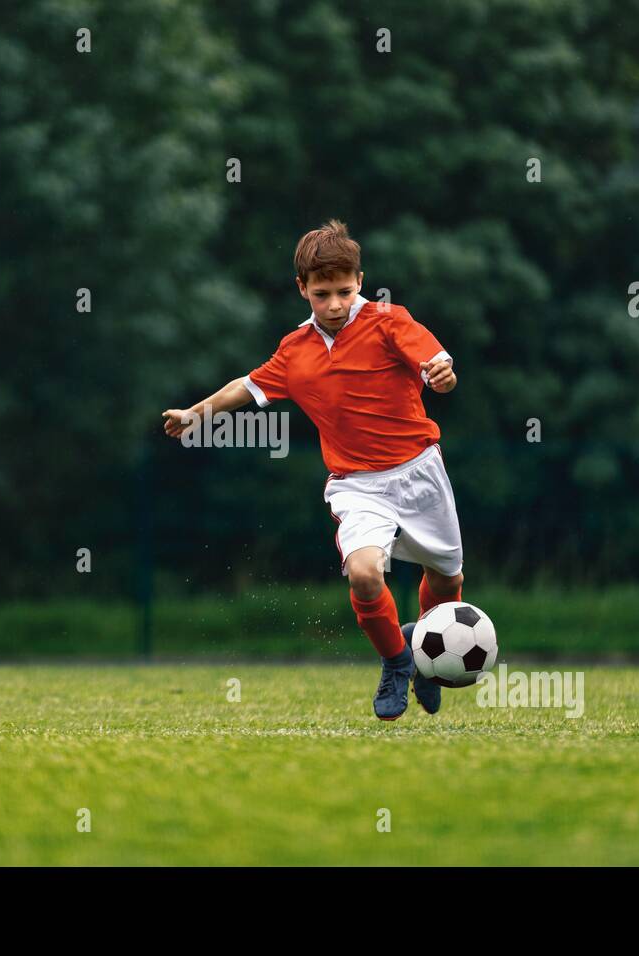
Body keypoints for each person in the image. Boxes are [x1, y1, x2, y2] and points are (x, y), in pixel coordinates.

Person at [162, 219, 464, 720]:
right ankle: (397, 661)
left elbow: (439, 368)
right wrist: (196, 413)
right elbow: (246, 385)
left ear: (360, 281)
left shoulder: (390, 321)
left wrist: (444, 375)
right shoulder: (294, 351)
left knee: (448, 582)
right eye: (322, 294)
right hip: (356, 484)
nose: (335, 305)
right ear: (301, 288)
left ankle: (425, 653)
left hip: (420, 471)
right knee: (366, 575)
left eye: (345, 291)